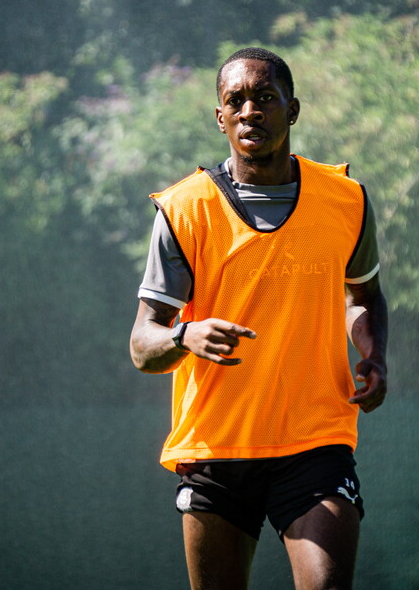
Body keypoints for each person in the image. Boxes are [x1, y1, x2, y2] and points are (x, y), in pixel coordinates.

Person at [129, 46, 388, 590]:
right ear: (220, 117)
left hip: (315, 441)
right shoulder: (185, 209)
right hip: (216, 449)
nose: (251, 111)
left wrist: (374, 354)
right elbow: (143, 345)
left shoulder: (345, 200)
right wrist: (186, 334)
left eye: (265, 97)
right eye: (236, 100)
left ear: (292, 110)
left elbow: (362, 295)